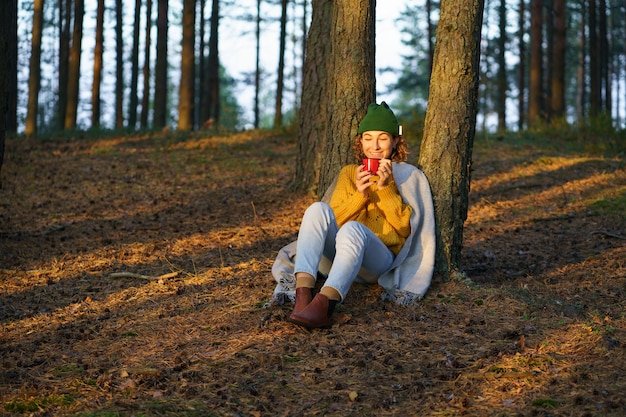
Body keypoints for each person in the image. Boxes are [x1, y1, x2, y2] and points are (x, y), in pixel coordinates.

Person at [268, 101, 436, 329]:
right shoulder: (349, 173)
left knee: (353, 229)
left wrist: (385, 188)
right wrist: (360, 195)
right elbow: (332, 221)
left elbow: (407, 230)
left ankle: (326, 302)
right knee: (317, 209)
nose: (374, 146)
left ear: (395, 140)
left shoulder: (407, 176)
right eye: (368, 138)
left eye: (382, 138)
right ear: (360, 141)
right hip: (338, 259)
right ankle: (303, 296)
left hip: (376, 263)